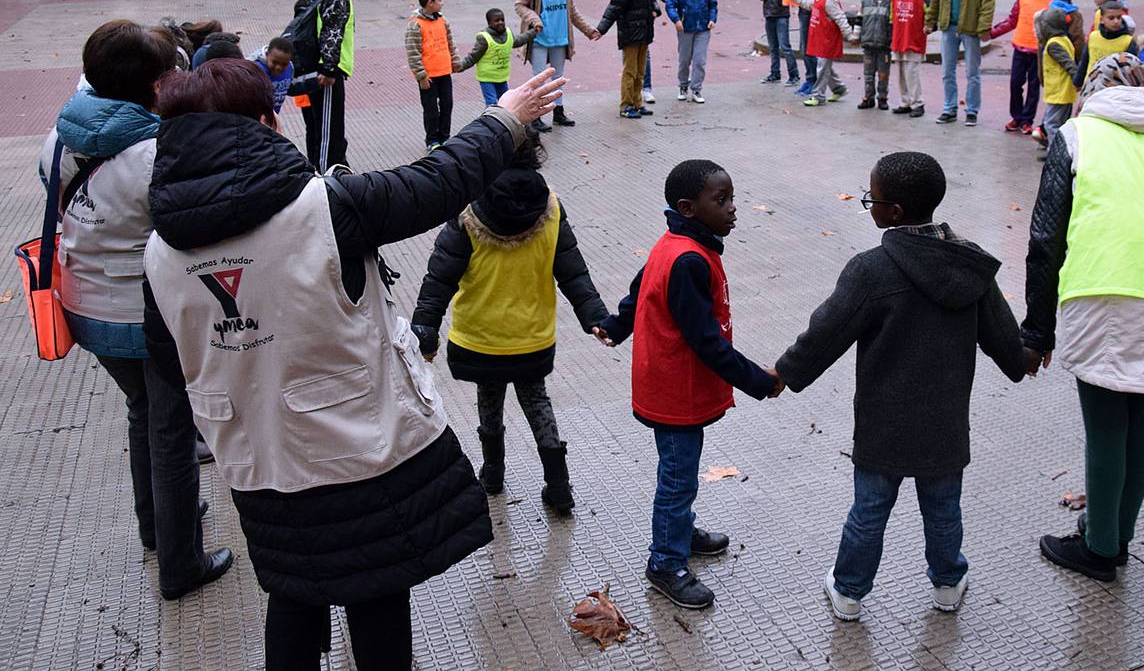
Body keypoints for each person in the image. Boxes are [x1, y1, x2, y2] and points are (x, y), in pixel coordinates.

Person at [142, 59, 565, 669]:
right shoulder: (330, 205)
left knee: (291, 590)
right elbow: (438, 180)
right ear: (266, 121)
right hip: (355, 449)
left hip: (257, 458)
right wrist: (507, 119)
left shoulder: (156, 251)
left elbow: (168, 356)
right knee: (375, 594)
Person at [775, 152, 1024, 621]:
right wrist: (1022, 358)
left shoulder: (871, 269)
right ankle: (948, 583)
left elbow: (826, 331)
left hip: (882, 420)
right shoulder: (970, 265)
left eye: (872, 199)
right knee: (943, 509)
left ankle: (849, 591)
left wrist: (784, 375)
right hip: (946, 420)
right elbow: (1003, 338)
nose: (868, 205)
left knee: (869, 510)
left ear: (893, 213)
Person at [37, 21, 232, 600]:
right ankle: (181, 563)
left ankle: (156, 524)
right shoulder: (154, 153)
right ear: (153, 85)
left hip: (83, 308)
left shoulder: (60, 137)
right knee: (172, 431)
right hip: (145, 318)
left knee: (142, 412)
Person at [1022, 53, 1144, 581]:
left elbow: (1045, 238)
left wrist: (1037, 329)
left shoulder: (1077, 135)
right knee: (1143, 421)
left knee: (1105, 425)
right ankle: (1117, 534)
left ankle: (1101, 548)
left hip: (1105, 289)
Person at [590, 159, 783, 610]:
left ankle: (680, 531)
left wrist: (617, 325)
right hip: (675, 388)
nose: (734, 209)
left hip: (673, 382)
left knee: (682, 473)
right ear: (687, 207)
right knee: (677, 478)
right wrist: (760, 381)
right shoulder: (688, 259)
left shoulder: (677, 241)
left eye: (732, 197)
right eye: (722, 201)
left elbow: (640, 290)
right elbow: (707, 343)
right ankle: (666, 562)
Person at [411, 129, 608, 516]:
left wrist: (425, 331)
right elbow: (573, 271)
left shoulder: (468, 212)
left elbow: (439, 278)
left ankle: (493, 474)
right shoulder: (550, 206)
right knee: (537, 401)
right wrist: (597, 318)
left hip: (482, 336)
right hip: (532, 336)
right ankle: (559, 485)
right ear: (534, 153)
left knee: (489, 400)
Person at [514, 0, 600, 130]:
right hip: (539, 38)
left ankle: (558, 113)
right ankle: (535, 116)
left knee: (558, 77)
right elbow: (519, 5)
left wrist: (588, 30)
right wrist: (534, 20)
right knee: (539, 79)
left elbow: (572, 10)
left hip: (560, 37)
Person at [927, 0, 995, 126]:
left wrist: (984, 26)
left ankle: (972, 110)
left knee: (972, 72)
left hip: (970, 28)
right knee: (948, 71)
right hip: (949, 26)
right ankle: (949, 108)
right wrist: (930, 20)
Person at [596, 0, 667, 120]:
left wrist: (656, 10)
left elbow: (651, 1)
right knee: (630, 71)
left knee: (640, 71)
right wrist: (601, 29)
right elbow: (614, 8)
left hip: (645, 33)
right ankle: (626, 105)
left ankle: (637, 102)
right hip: (630, 33)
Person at [305, 0, 358, 170]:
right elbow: (331, 34)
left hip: (326, 67)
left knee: (329, 126)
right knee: (328, 128)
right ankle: (326, 173)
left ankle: (337, 165)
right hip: (326, 71)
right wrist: (329, 69)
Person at [989, 0, 1054, 135]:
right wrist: (992, 33)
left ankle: (1027, 120)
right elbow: (1012, 20)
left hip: (1039, 52)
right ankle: (1016, 117)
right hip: (1020, 48)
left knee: (1034, 87)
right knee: (1015, 84)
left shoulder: (1053, 1)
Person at [405, 0, 463, 149]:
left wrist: (455, 61)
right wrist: (421, 76)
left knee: (447, 105)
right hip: (428, 77)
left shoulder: (443, 21)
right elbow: (413, 51)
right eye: (439, 0)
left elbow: (450, 43)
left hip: (444, 72)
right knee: (431, 110)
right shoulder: (415, 24)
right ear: (430, 3)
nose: (442, 3)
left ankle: (445, 137)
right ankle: (432, 140)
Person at [794, 0, 856, 107]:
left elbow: (840, 18)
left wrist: (849, 35)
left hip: (828, 39)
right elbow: (810, 5)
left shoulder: (829, 1)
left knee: (822, 67)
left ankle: (818, 95)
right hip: (821, 38)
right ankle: (839, 88)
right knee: (825, 66)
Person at [458, 8, 538, 108]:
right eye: (496, 21)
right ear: (489, 23)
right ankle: (491, 122)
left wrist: (533, 32)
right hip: (487, 77)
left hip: (501, 76)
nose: (500, 22)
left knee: (505, 101)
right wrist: (460, 66)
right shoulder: (484, 38)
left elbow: (518, 40)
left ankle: (504, 121)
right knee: (492, 103)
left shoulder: (508, 33)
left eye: (502, 20)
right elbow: (473, 57)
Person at [667, 0, 719, 104]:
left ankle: (696, 88)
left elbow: (713, 4)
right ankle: (683, 85)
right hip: (685, 28)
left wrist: (712, 19)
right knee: (684, 60)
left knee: (699, 60)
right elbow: (670, 5)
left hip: (702, 28)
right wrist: (676, 19)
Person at [889, 0, 931, 118]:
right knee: (900, 73)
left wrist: (929, 26)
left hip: (914, 38)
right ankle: (905, 101)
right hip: (899, 38)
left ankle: (918, 103)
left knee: (912, 73)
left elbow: (929, 13)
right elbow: (892, 16)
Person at [1033, 5, 1078, 150]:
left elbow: (1069, 64)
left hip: (1059, 93)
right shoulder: (1064, 39)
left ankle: (1054, 154)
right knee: (1061, 124)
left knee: (1051, 124)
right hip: (1062, 93)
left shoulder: (1054, 45)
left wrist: (1078, 80)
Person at [760, 0, 799, 83]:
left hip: (781, 14)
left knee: (785, 46)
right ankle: (775, 73)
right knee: (773, 47)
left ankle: (794, 74)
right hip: (769, 13)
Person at [1077, 0, 1137, 84]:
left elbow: (1131, 69)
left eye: (1119, 17)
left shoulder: (1128, 41)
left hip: (1114, 89)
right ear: (1101, 19)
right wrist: (1078, 82)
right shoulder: (1093, 36)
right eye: (1111, 18)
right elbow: (1084, 61)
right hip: (1091, 85)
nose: (1116, 21)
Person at [858, 0, 892, 110]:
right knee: (868, 73)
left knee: (883, 74)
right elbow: (859, 20)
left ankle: (882, 98)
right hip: (868, 43)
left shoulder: (891, 1)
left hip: (884, 44)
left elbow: (892, 22)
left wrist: (892, 39)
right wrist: (856, 36)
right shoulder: (865, 1)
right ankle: (868, 97)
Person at [248, 36, 295, 115]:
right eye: (275, 62)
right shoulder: (255, 69)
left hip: (272, 118)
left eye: (284, 64)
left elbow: (291, 87)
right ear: (267, 55)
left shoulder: (290, 68)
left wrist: (315, 81)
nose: (278, 67)